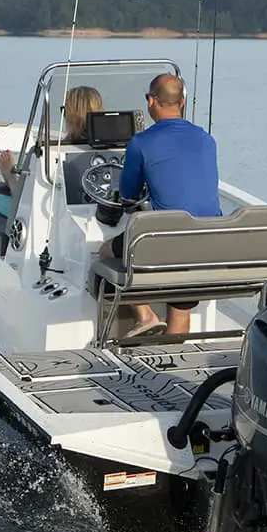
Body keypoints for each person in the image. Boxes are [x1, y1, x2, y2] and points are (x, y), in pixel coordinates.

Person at [99, 73, 222, 338]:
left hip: (169, 242)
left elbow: (129, 194)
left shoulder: (141, 143)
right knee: (180, 303)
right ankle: (172, 357)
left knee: (107, 251)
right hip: (210, 242)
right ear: (183, 102)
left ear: (151, 101)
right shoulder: (206, 140)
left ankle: (145, 315)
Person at [0, 86, 103, 217]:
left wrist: (11, 177)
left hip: (54, 216)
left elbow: (33, 205)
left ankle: (13, 180)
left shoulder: (48, 154)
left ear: (68, 116)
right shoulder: (113, 150)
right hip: (96, 212)